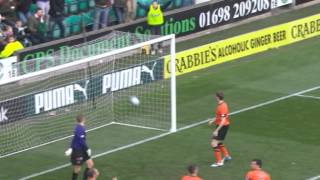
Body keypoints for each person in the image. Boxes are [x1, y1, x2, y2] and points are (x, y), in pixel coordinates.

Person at [65, 114, 94, 180]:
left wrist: (70, 148)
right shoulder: (79, 129)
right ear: (84, 120)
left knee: (90, 164)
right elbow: (81, 141)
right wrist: (87, 149)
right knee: (77, 169)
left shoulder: (80, 127)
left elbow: (75, 139)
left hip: (82, 149)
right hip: (78, 151)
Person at [208, 92, 232, 167]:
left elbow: (223, 120)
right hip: (222, 125)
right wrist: (213, 120)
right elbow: (219, 117)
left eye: (215, 96)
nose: (215, 97)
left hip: (223, 126)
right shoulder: (223, 104)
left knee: (214, 143)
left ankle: (219, 162)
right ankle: (227, 156)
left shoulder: (222, 107)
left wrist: (216, 130)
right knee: (218, 142)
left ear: (217, 97)